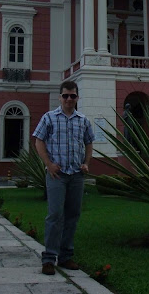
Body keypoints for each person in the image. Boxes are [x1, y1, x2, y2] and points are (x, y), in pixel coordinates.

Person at [33, 80, 94, 276]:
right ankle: (49, 259)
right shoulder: (49, 118)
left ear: (77, 98)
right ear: (60, 97)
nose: (69, 99)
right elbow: (38, 141)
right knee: (54, 216)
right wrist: (48, 164)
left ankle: (66, 256)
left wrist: (86, 163)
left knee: (72, 216)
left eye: (73, 96)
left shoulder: (83, 120)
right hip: (57, 175)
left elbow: (89, 143)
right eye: (66, 95)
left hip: (76, 175)